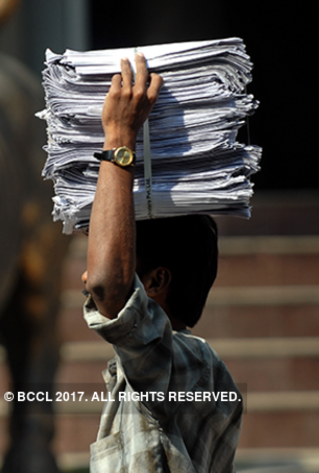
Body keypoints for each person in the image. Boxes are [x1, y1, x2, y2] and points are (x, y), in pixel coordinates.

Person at [82, 53, 243, 472]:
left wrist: (119, 135)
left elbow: (106, 284)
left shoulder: (172, 362)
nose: (84, 278)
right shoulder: (190, 367)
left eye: (127, 265)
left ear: (154, 281)